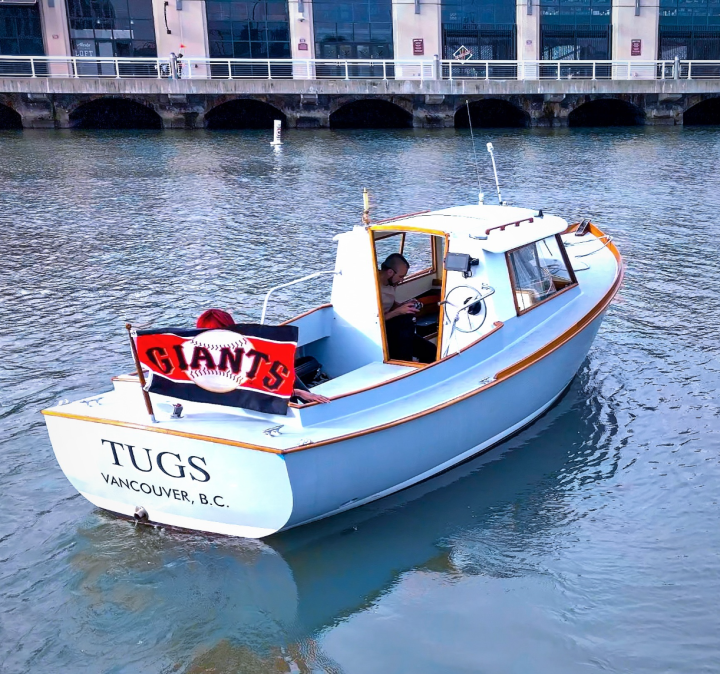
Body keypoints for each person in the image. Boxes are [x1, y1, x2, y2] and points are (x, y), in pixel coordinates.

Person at [196, 309, 329, 404]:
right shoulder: (236, 358)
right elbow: (252, 392)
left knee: (288, 370)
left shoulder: (195, 356)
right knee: (290, 371)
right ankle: (308, 402)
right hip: (250, 405)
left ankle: (306, 400)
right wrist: (299, 393)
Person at [377, 254, 436, 363]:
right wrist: (399, 311)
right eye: (401, 276)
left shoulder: (391, 282)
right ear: (390, 272)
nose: (402, 280)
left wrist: (401, 305)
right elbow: (374, 321)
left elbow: (387, 302)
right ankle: (405, 362)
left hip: (393, 327)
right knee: (405, 321)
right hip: (379, 332)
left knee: (432, 351)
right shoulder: (373, 286)